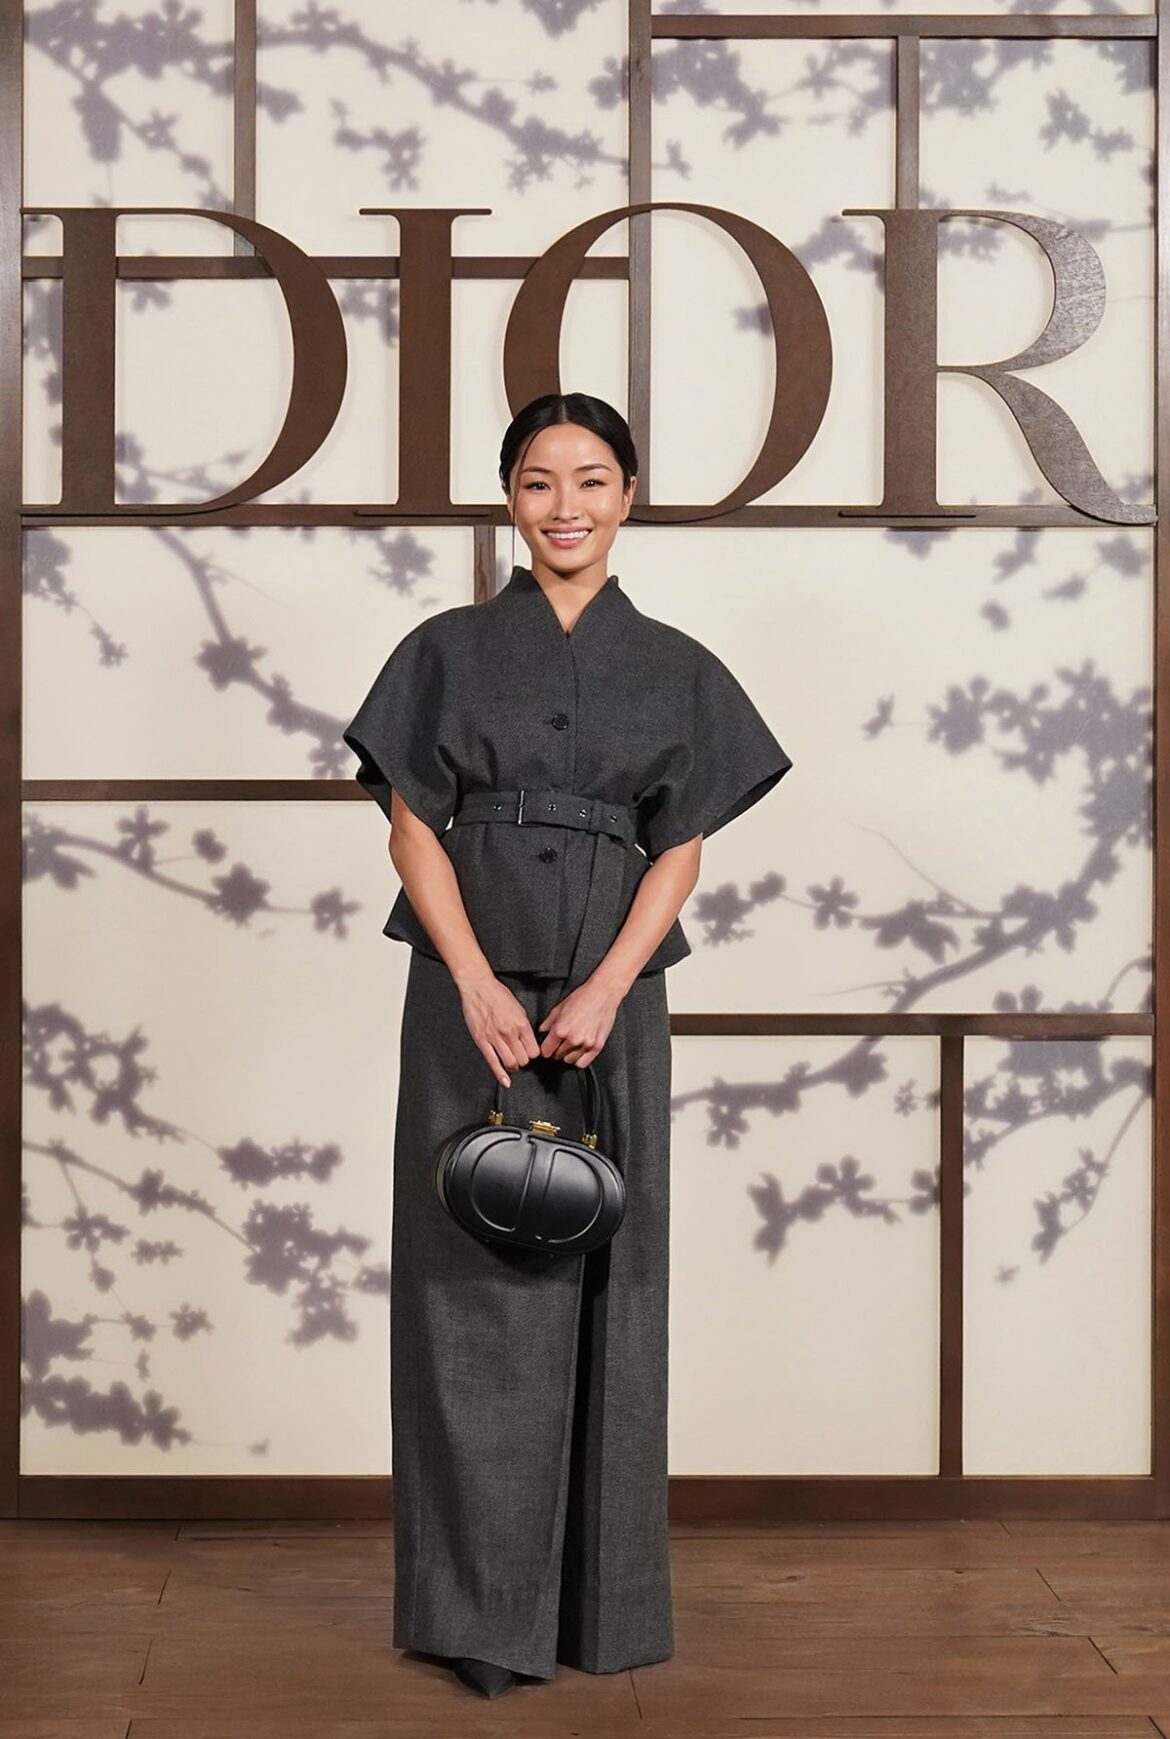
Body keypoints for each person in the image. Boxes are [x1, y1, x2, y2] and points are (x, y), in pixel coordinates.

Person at [342, 391, 793, 1700]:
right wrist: (474, 979)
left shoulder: (677, 665)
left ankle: (603, 1613)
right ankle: (477, 1620)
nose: (566, 506)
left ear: (628, 496)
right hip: (465, 992)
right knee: (466, 1279)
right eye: (539, 481)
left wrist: (607, 985)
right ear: (508, 497)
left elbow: (680, 847)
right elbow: (410, 829)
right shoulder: (443, 649)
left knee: (613, 1276)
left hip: (614, 997)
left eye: (592, 480)